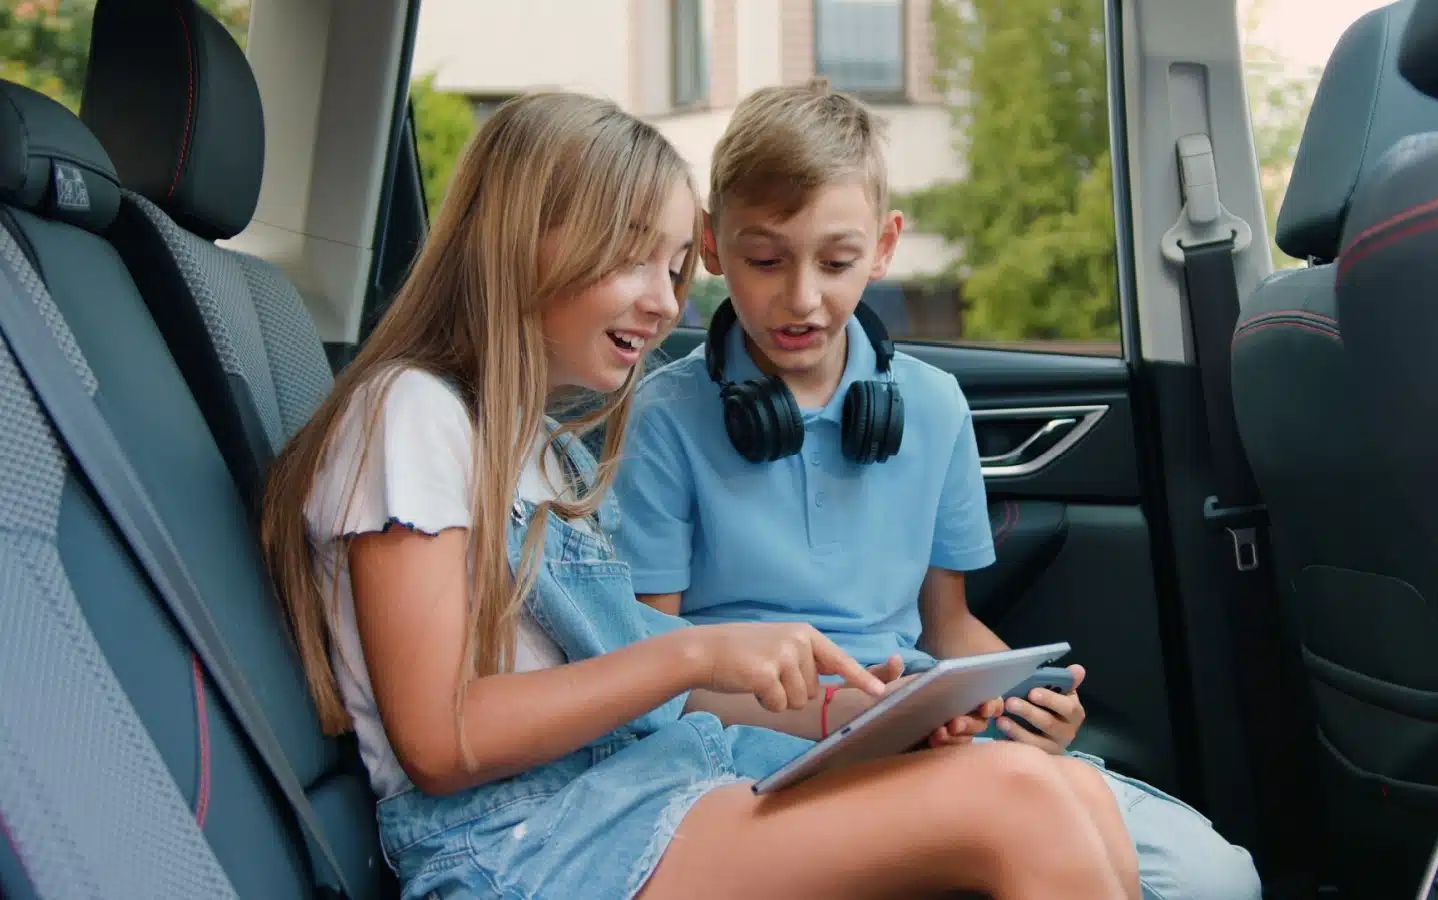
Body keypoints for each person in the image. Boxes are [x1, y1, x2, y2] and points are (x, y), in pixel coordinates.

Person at [259, 90, 1140, 900]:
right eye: (632, 260)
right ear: (525, 241)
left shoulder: (540, 448)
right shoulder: (410, 413)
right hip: (522, 844)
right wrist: (693, 652)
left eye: (677, 265)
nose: (664, 302)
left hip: (632, 786)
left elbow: (655, 692)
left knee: (1069, 793)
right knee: (1018, 802)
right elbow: (443, 742)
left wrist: (873, 714)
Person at [611, 80, 1263, 900]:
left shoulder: (929, 405)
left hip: (911, 724)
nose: (802, 298)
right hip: (742, 745)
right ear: (711, 246)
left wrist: (1023, 703)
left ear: (884, 248)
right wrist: (842, 714)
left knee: (1218, 878)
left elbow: (947, 626)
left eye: (838, 261)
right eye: (765, 259)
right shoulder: (662, 421)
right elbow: (649, 674)